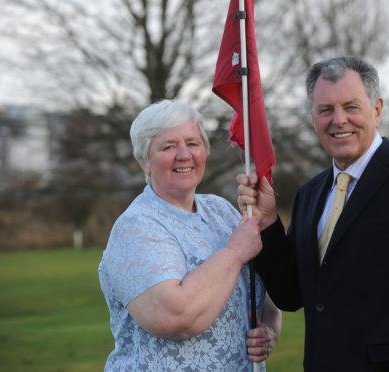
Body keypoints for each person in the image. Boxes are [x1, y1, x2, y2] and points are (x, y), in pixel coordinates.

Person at [237, 56, 389, 371]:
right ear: (313, 117)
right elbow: (291, 294)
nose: (338, 120)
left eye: (351, 106)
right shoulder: (308, 194)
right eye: (326, 109)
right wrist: (268, 221)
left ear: (377, 110)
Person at [99, 99, 281, 371]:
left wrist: (269, 330)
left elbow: (265, 292)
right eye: (169, 146)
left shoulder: (222, 211)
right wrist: (234, 253)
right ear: (144, 162)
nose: (184, 154)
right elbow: (175, 318)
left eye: (192, 143)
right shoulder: (137, 226)